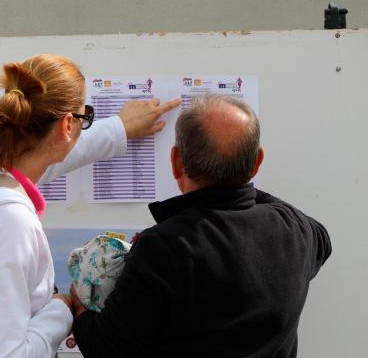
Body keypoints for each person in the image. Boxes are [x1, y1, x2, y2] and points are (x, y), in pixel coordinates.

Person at [0, 53, 181, 358]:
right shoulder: (8, 224)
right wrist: (61, 311)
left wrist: (117, 129)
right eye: (85, 118)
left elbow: (40, 157)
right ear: (68, 125)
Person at [71, 93, 332, 358]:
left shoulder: (162, 248)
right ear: (257, 163)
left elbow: (106, 348)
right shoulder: (296, 230)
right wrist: (240, 182)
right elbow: (321, 237)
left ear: (176, 162)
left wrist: (77, 305)